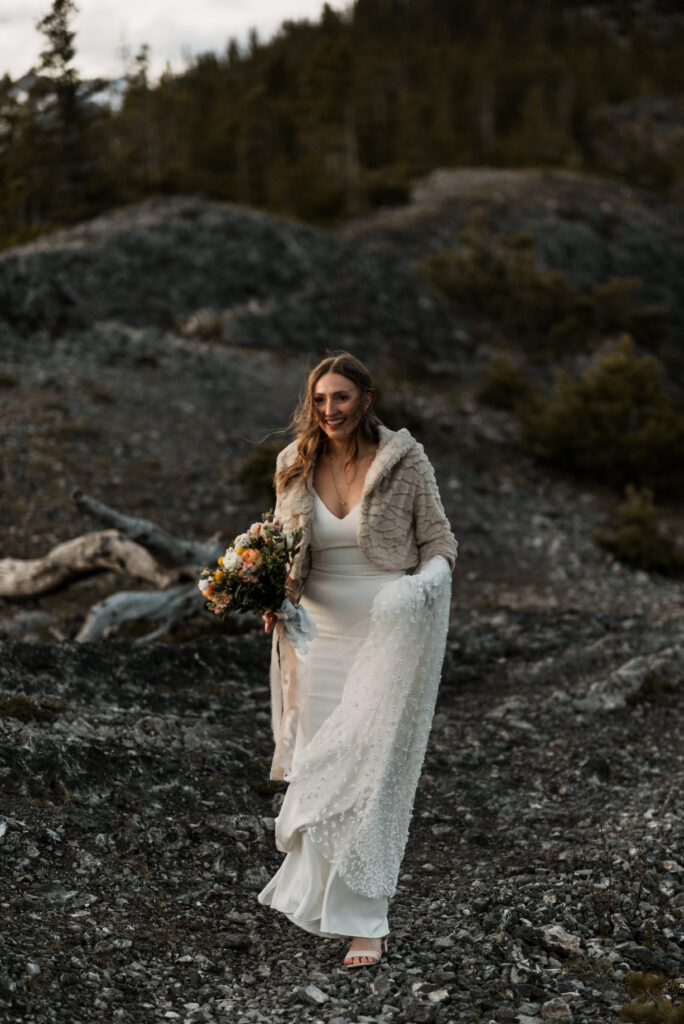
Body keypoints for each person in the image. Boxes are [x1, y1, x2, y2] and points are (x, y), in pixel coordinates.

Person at [257, 352, 458, 968]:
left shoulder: (405, 460)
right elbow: (284, 547)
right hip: (315, 636)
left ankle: (366, 923)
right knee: (322, 768)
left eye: (340, 398)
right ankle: (325, 901)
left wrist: (418, 589)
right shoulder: (293, 462)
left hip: (386, 631)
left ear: (364, 399)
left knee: (370, 776)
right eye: (319, 400)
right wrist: (270, 593)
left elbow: (440, 543)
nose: (329, 410)